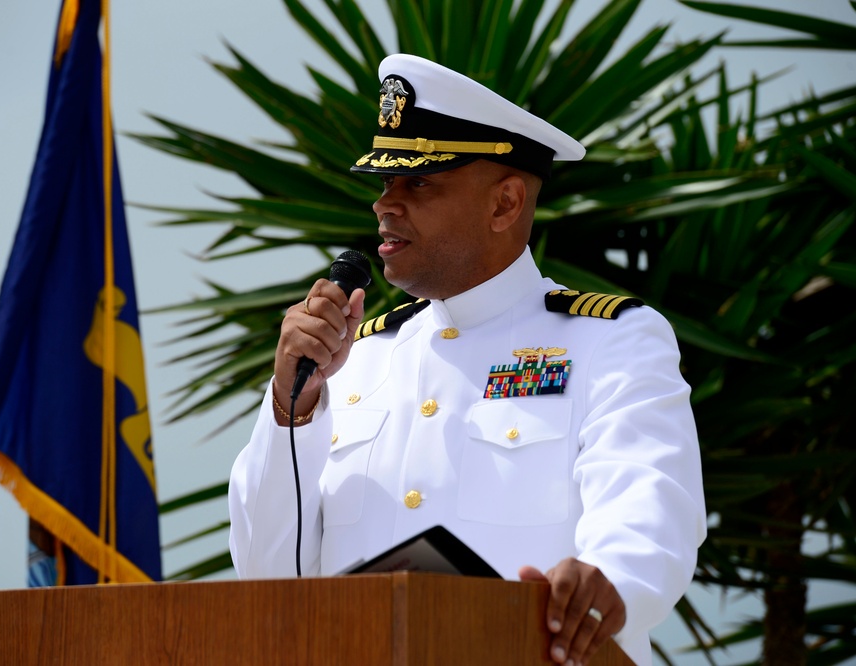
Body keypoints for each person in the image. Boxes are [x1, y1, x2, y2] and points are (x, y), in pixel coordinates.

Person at [229, 53, 706, 666]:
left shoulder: (611, 340)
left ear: (506, 204)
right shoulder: (354, 363)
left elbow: (649, 505)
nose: (385, 204)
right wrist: (292, 409)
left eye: (418, 182)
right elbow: (270, 573)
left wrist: (607, 583)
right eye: (384, 182)